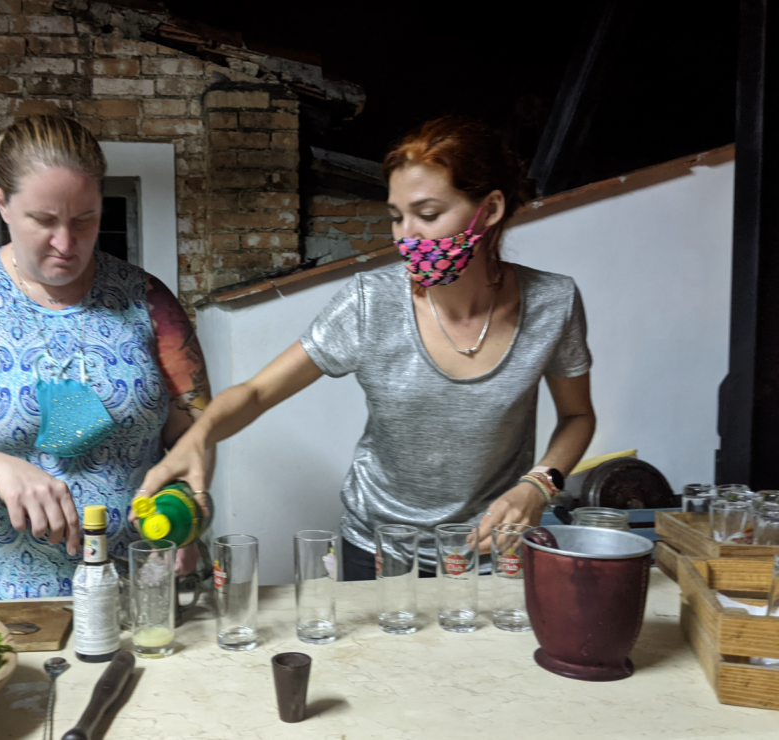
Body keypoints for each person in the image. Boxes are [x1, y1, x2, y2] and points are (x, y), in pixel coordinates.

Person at [138, 116, 596, 579]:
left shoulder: (552, 303)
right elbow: (257, 392)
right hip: (376, 552)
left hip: (489, 555)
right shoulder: (369, 302)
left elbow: (578, 417)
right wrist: (200, 435)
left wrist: (540, 484)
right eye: (397, 216)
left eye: (429, 214)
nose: (405, 235)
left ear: (491, 208)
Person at [0, 115, 210, 600]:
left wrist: (185, 512)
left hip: (135, 591)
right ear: (3, 204)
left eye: (85, 218)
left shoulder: (147, 299)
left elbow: (195, 437)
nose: (66, 243)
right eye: (44, 220)